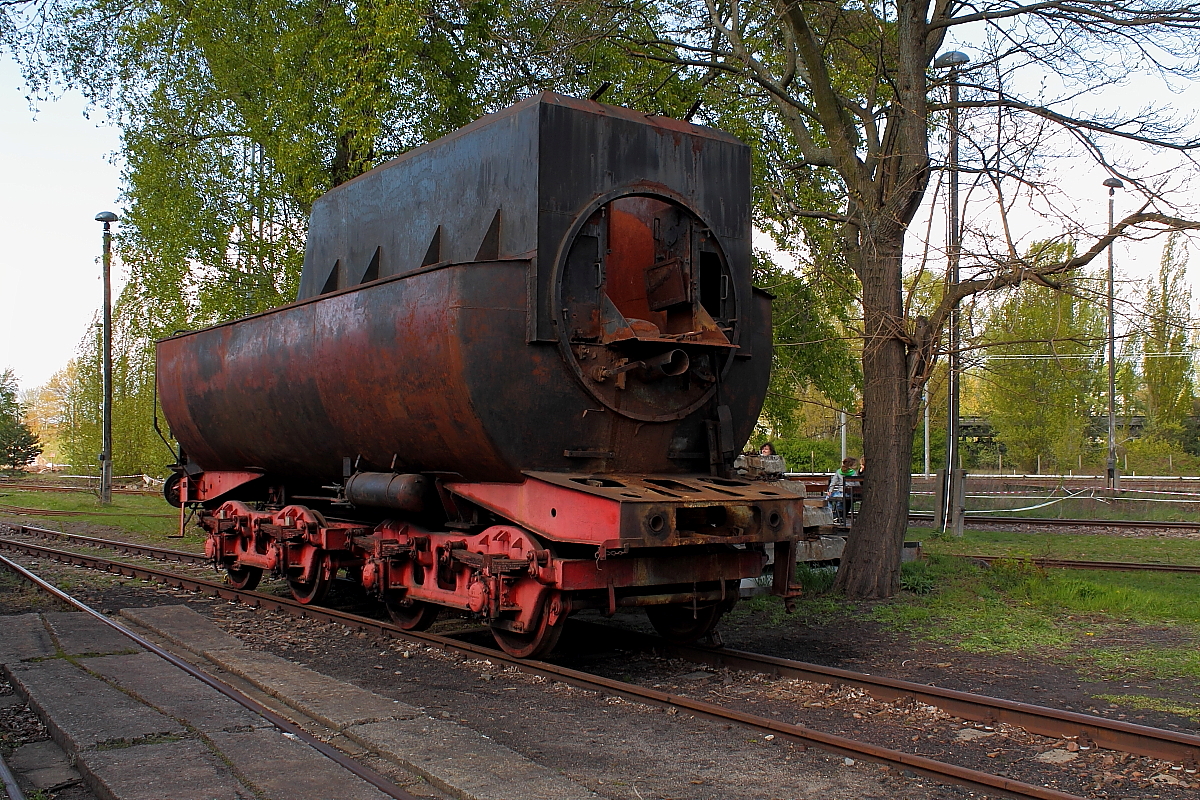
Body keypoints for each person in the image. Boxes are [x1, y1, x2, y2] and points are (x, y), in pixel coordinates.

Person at [826, 457, 859, 524]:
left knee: (828, 498)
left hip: (840, 492)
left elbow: (833, 482)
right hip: (849, 493)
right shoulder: (853, 473)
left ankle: (830, 513)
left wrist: (830, 490)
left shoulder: (839, 472)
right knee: (842, 501)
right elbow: (857, 484)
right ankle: (839, 516)